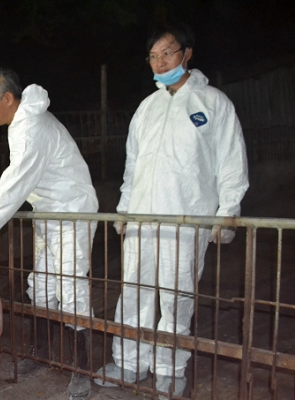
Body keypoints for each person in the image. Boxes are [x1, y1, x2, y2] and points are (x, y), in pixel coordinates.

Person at [93, 23, 249, 399]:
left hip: (187, 218)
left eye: (168, 52)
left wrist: (227, 212)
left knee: (176, 294)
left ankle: (169, 367)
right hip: (143, 221)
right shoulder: (147, 108)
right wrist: (124, 210)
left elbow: (231, 162)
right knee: (133, 290)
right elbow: (132, 166)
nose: (160, 61)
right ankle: (129, 360)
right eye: (153, 55)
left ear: (187, 54)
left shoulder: (213, 103)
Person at [0, 68, 99, 400]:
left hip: (72, 213)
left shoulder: (30, 129)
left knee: (72, 290)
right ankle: (41, 353)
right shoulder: (21, 124)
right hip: (49, 215)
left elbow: (12, 192)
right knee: (41, 286)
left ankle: (82, 371)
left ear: (8, 99)